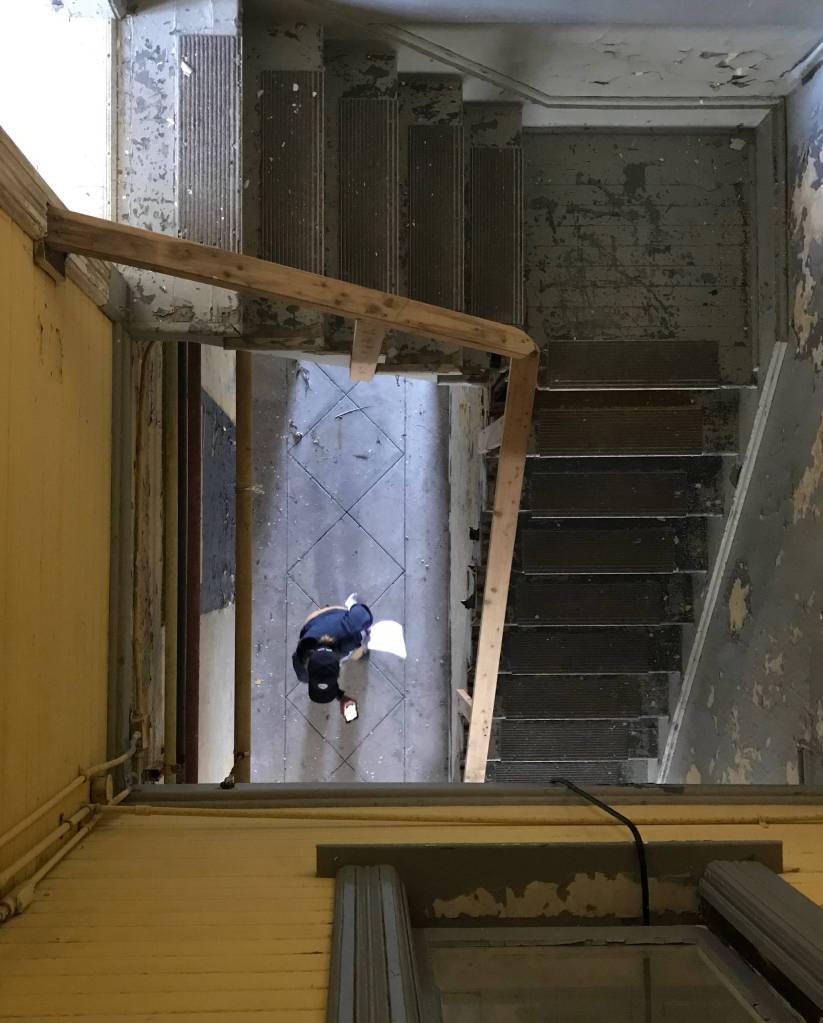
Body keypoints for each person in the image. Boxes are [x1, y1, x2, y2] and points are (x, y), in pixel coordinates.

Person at [292, 595, 373, 718]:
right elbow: (363, 611)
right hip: (318, 626)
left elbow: (363, 613)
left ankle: (362, 651)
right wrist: (341, 697)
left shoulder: (348, 630)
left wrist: (366, 632)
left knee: (358, 651)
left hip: (327, 618)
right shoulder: (302, 665)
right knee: (356, 651)